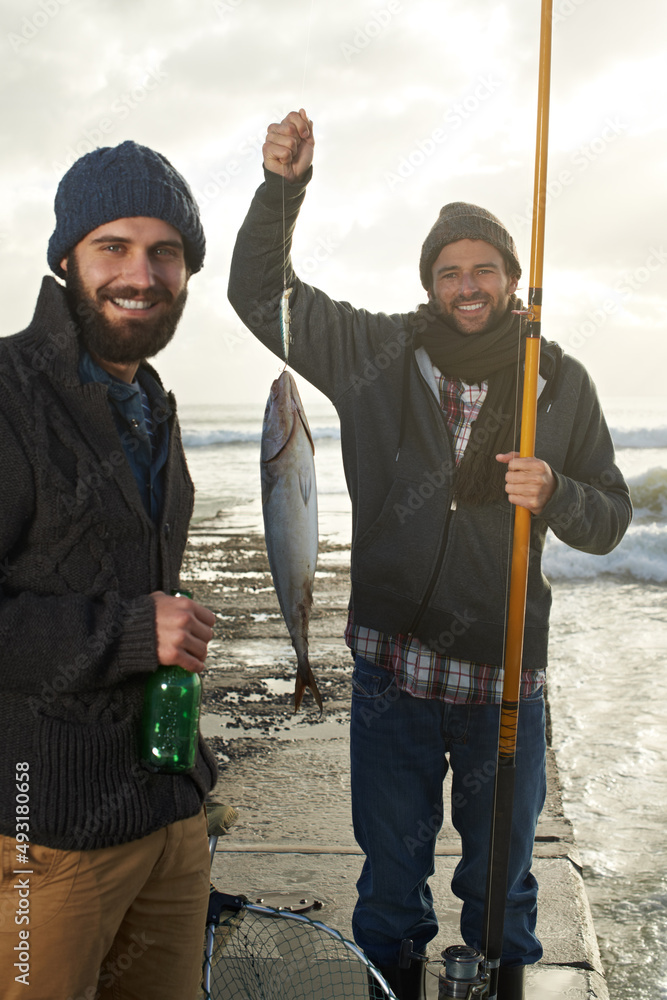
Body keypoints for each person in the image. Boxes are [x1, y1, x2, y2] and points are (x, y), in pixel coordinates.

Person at [227, 109, 632, 1000]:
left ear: (512, 279)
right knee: (386, 896)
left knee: (501, 901)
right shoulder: (377, 350)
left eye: (483, 268)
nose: (466, 284)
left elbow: (610, 517)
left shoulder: (556, 381)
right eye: (448, 271)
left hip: (503, 686)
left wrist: (557, 493)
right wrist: (280, 189)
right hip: (391, 679)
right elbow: (261, 295)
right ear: (429, 284)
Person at [0, 141, 218, 1000]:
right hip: (41, 828)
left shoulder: (146, 397)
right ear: (66, 260)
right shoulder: (9, 393)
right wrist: (130, 631)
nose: (143, 272)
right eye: (114, 247)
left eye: (166, 251)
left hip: (168, 814)